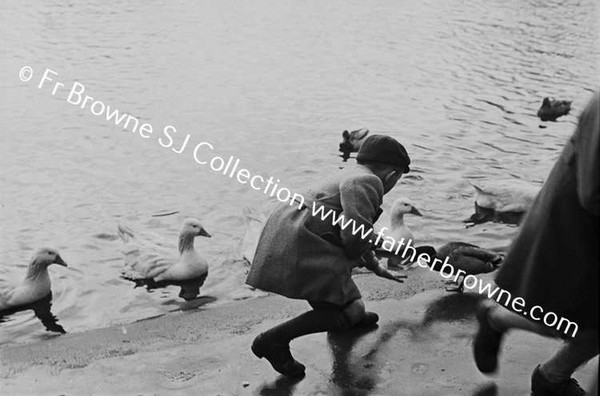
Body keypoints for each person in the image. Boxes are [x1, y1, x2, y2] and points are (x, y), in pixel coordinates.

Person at [246, 134, 410, 377]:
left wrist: (374, 265)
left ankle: (346, 315)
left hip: (289, 232)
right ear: (393, 175)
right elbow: (354, 238)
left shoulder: (349, 173)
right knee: (348, 310)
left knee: (351, 305)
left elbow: (357, 229)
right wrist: (381, 248)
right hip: (305, 242)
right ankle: (273, 340)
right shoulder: (369, 182)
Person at [473, 91, 599, 396]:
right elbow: (593, 192)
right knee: (571, 317)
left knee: (588, 321)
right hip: (576, 229)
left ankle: (551, 375)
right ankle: (498, 319)